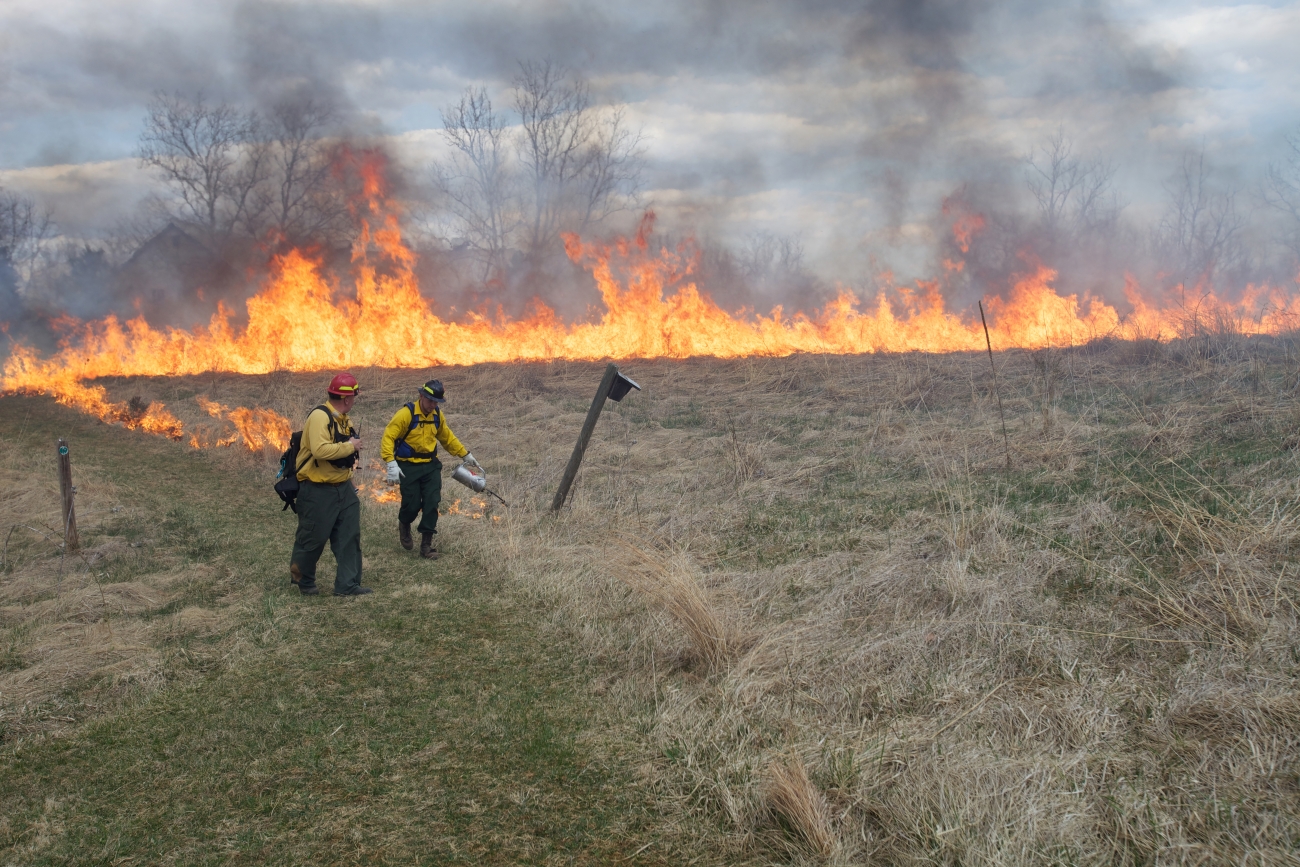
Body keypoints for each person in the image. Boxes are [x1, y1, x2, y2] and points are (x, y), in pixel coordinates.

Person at [289, 373, 372, 597]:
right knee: (312, 537)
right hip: (317, 490)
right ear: (347, 398)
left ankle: (348, 585)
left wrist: (351, 480)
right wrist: (350, 446)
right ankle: (303, 580)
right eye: (354, 396)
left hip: (343, 488)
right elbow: (320, 450)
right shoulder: (319, 416)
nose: (354, 401)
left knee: (349, 537)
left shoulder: (343, 419)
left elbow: (343, 457)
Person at [380, 378, 479, 560]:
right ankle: (404, 523)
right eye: (431, 401)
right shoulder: (406, 414)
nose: (433, 405)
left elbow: (447, 437)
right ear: (421, 396)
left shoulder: (437, 415)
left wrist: (465, 454)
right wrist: (390, 462)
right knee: (411, 504)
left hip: (430, 466)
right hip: (408, 466)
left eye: (436, 402)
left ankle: (426, 546)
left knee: (432, 502)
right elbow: (388, 437)